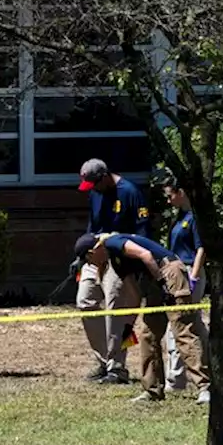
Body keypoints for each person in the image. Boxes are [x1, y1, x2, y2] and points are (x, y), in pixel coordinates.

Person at [74, 230, 210, 404]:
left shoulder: (113, 242)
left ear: (92, 252)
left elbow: (145, 255)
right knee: (147, 335)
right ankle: (152, 390)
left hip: (169, 272)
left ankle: (205, 388)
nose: (90, 265)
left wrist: (163, 286)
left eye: (88, 260)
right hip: (155, 279)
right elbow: (134, 294)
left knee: (183, 331)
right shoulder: (116, 262)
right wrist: (129, 324)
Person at [74, 158, 151, 384]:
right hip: (94, 254)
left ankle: (117, 368)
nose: (93, 189)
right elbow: (92, 225)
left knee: (116, 312)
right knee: (85, 302)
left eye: (95, 184)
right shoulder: (95, 193)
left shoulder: (130, 193)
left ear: (105, 176)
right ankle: (104, 359)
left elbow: (142, 232)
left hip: (120, 258)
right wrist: (82, 254)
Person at [162, 179, 209, 396]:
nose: (168, 200)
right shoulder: (179, 217)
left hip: (189, 271)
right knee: (195, 325)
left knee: (179, 324)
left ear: (181, 192)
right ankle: (210, 365)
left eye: (170, 195)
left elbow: (201, 249)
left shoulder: (195, 218)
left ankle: (175, 379)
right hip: (176, 271)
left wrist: (194, 276)